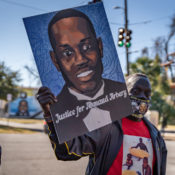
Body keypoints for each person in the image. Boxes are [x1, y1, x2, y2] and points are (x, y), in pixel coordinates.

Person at [36, 73, 167, 175]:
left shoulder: (156, 136)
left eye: (147, 93)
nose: (143, 97)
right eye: (136, 91)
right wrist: (50, 116)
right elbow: (67, 152)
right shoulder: (104, 124)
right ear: (123, 93)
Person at [41, 8, 132, 142]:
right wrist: (49, 115)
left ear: (100, 47)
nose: (80, 60)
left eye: (87, 47)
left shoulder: (124, 98)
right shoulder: (58, 110)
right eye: (67, 53)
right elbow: (66, 154)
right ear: (55, 61)